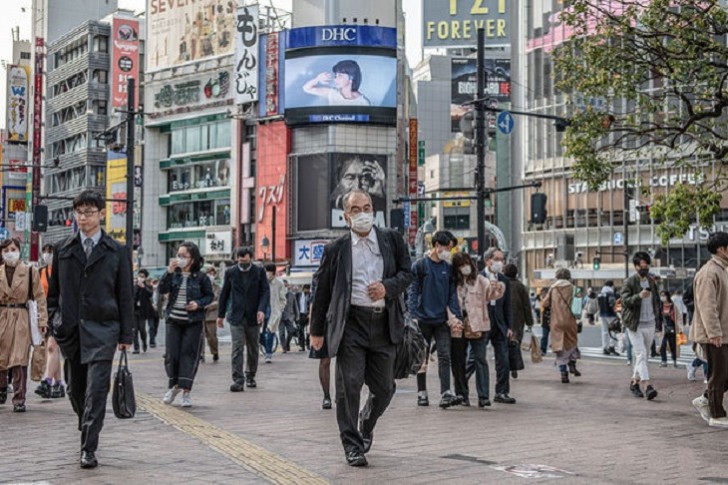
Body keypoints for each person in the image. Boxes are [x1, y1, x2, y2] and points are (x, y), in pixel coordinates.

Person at [310, 189, 412, 467]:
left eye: (367, 207)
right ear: (346, 216)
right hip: (350, 324)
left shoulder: (392, 240)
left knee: (384, 388)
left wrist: (386, 288)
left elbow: (407, 273)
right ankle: (352, 445)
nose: (363, 213)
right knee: (349, 386)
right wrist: (316, 330)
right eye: (356, 209)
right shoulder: (336, 249)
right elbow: (322, 290)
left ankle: (366, 423)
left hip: (384, 324)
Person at [47, 189, 134, 469]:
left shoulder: (117, 251)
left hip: (104, 329)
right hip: (71, 331)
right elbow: (54, 295)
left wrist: (126, 335)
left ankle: (88, 448)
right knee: (76, 390)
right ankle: (85, 423)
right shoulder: (63, 249)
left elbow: (125, 295)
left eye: (89, 212)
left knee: (96, 391)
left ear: (101, 214)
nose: (83, 217)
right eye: (79, 212)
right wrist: (55, 323)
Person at [408, 230, 463, 408]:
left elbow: (452, 296)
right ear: (437, 245)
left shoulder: (448, 269)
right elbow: (413, 291)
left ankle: (446, 393)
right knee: (421, 357)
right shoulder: (420, 266)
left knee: (444, 355)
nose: (449, 252)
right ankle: (421, 392)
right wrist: (413, 315)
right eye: (448, 248)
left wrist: (456, 317)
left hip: (441, 320)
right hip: (422, 320)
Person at [158, 242, 213, 407]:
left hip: (193, 322)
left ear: (193, 259)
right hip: (174, 320)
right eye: (178, 255)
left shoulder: (202, 277)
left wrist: (198, 303)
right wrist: (168, 272)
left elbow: (209, 296)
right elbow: (161, 289)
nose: (180, 259)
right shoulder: (173, 274)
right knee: (171, 355)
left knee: (188, 355)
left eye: (184, 256)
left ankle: (186, 392)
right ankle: (173, 387)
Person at [450, 253, 505, 407]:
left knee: (480, 359)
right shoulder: (453, 283)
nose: (465, 267)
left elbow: (492, 293)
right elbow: (448, 302)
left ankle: (483, 396)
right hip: (458, 324)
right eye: (461, 265)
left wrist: (498, 287)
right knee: (458, 361)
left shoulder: (480, 280)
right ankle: (462, 394)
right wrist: (452, 319)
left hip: (479, 323)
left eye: (467, 263)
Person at [0, 239, 48, 411]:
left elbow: (39, 297)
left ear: (19, 251)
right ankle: (2, 387)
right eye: (6, 250)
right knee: (2, 357)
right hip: (2, 316)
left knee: (19, 359)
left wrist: (42, 321)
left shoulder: (29, 271)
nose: (9, 252)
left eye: (13, 249)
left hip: (22, 317)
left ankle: (19, 398)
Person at [217, 247, 270, 392]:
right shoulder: (231, 272)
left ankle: (250, 375)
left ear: (251, 258)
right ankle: (238, 379)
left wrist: (261, 309)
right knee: (237, 347)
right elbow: (224, 294)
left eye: (245, 261)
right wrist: (220, 315)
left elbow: (265, 292)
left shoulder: (259, 272)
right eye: (240, 261)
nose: (243, 263)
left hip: (254, 316)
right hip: (236, 316)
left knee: (253, 347)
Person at [689, 232, 728, 427]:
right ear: (722, 249)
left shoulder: (723, 270)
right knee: (718, 374)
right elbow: (707, 306)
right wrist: (714, 333)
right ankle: (716, 414)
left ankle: (706, 399)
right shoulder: (708, 273)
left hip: (724, 333)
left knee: (723, 373)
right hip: (715, 335)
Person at [620, 251, 661, 401]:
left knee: (644, 356)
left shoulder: (651, 281)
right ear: (636, 266)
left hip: (650, 323)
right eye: (641, 266)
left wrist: (659, 321)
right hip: (634, 324)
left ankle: (634, 382)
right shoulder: (629, 282)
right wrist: (638, 296)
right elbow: (624, 301)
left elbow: (657, 302)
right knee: (641, 354)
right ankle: (647, 385)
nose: (644, 268)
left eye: (646, 265)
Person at [479, 247, 516, 404]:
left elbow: (508, 305)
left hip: (500, 323)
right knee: (476, 358)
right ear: (488, 261)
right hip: (483, 321)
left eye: (502, 260)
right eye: (498, 259)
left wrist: (510, 326)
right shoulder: (478, 278)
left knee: (503, 359)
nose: (501, 263)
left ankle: (501, 392)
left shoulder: (504, 280)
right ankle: (461, 389)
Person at [35, 243, 65, 399]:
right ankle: (59, 384)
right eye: (45, 252)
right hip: (45, 314)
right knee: (51, 349)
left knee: (52, 347)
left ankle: (46, 380)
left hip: (60, 314)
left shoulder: (64, 272)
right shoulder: (40, 272)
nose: (48, 255)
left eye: (50, 252)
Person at [542, 268, 581, 383]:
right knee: (572, 343)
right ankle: (572, 363)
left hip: (557, 322)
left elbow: (545, 303)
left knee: (560, 348)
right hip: (570, 321)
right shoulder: (574, 289)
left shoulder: (553, 289)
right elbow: (578, 306)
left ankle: (563, 373)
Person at [330, 156, 386, 228]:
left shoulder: (379, 206)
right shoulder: (326, 211)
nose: (357, 186)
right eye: (350, 178)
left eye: (363, 178)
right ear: (337, 180)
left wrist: (380, 192)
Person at [503, 263, 533, 379]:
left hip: (504, 319)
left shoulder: (502, 284)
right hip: (518, 319)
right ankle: (514, 367)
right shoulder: (520, 286)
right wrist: (529, 321)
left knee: (503, 344)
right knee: (515, 344)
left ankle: (505, 366)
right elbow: (526, 305)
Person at [303, 59, 372, 106]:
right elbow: (306, 88)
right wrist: (317, 79)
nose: (336, 79)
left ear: (351, 78)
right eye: (336, 76)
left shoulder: (363, 102)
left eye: (340, 76)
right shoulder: (332, 93)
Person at [263, 263, 286, 363]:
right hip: (262, 309)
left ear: (273, 272)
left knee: (270, 332)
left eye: (269, 271)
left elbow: (283, 299)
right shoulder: (262, 282)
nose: (267, 273)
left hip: (274, 310)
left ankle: (268, 354)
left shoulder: (279, 283)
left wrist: (280, 309)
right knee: (260, 333)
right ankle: (265, 345)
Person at [132, 269, 155, 354]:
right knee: (134, 330)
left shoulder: (147, 286)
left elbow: (150, 294)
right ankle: (136, 348)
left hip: (143, 311)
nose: (140, 278)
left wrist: (143, 287)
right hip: (134, 310)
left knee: (142, 329)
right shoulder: (134, 286)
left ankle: (144, 343)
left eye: (142, 277)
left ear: (145, 278)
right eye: (139, 276)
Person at [202, 266, 221, 363]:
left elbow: (219, 301)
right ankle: (201, 354)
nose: (211, 275)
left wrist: (208, 305)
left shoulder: (217, 288)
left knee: (212, 336)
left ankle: (215, 352)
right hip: (200, 314)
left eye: (213, 274)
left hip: (212, 314)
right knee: (200, 336)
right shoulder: (201, 286)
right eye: (209, 273)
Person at [659, 289, 681, 368]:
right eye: (661, 295)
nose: (662, 297)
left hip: (672, 327)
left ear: (667, 296)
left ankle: (674, 361)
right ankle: (663, 361)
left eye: (664, 295)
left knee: (673, 345)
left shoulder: (673, 306)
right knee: (662, 344)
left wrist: (679, 327)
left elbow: (678, 317)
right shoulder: (660, 306)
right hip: (663, 328)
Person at [598, 281, 620, 356]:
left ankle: (605, 347)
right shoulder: (610, 293)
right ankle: (611, 346)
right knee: (614, 330)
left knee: (604, 331)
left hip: (602, 314)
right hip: (610, 314)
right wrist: (616, 313)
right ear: (611, 286)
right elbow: (612, 304)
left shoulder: (600, 294)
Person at [279, 280, 300, 353]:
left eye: (286, 285)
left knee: (291, 331)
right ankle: (284, 348)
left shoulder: (291, 295)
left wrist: (297, 315)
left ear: (287, 286)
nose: (284, 287)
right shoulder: (278, 294)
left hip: (289, 316)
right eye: (283, 285)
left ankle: (287, 344)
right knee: (281, 333)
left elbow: (295, 306)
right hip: (280, 316)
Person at [295, 285, 311, 351]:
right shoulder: (298, 295)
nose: (307, 291)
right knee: (300, 331)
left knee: (308, 331)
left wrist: (310, 314)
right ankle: (302, 346)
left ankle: (308, 345)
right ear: (303, 289)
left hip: (308, 315)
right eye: (306, 290)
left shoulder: (310, 295)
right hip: (300, 315)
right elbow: (295, 305)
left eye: (308, 290)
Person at [539, 288, 551, 356]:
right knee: (544, 336)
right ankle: (543, 349)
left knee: (555, 336)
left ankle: (557, 348)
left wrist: (544, 299)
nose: (542, 295)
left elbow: (545, 304)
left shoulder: (549, 299)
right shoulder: (543, 299)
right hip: (545, 320)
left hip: (552, 319)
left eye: (543, 293)